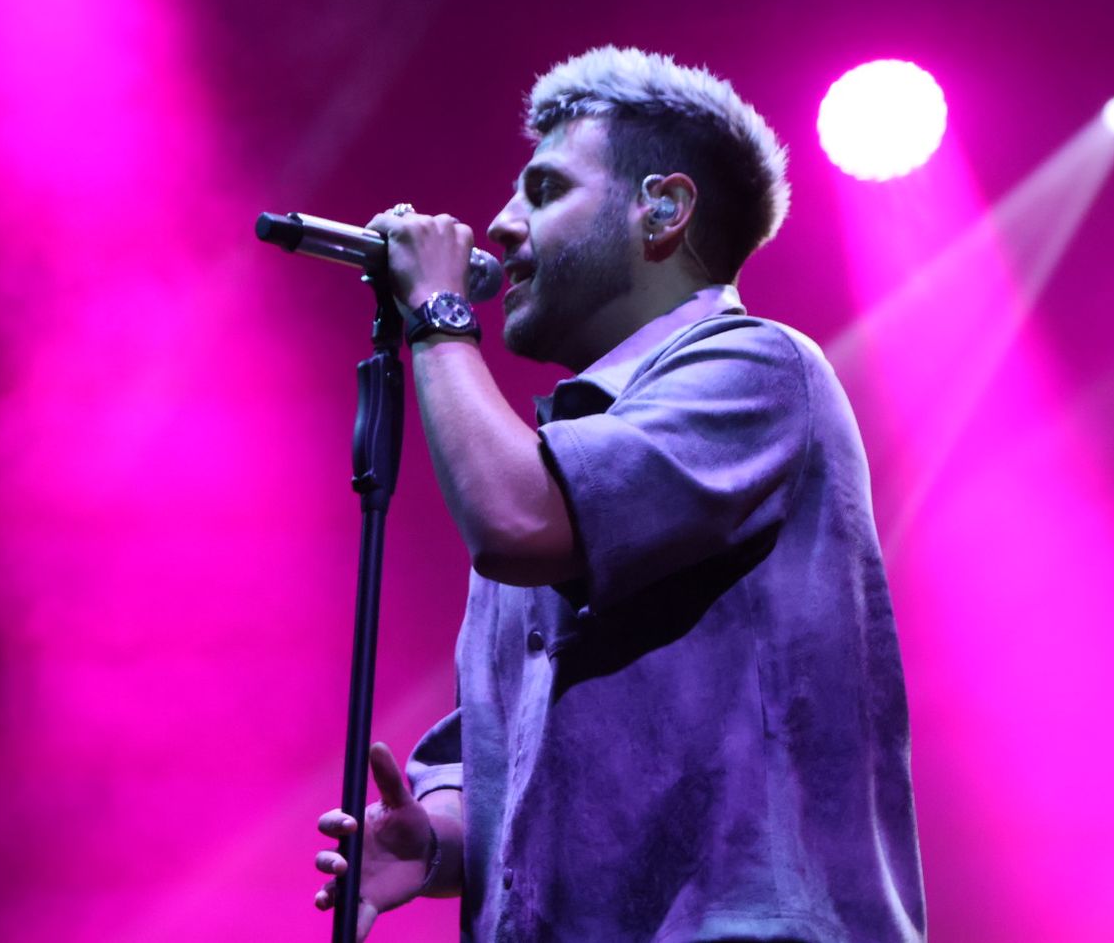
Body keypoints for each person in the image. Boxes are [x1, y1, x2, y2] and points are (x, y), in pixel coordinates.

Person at [312, 46, 924, 942]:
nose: (501, 227)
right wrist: (435, 839)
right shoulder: (563, 452)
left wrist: (441, 318)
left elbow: (518, 520)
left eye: (546, 191)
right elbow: (522, 753)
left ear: (663, 210)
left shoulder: (760, 370)